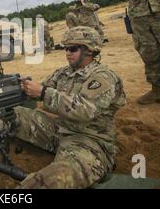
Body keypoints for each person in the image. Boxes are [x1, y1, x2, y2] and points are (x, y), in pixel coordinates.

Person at [15, 26, 126, 188]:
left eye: (72, 48)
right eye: (65, 48)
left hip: (90, 142)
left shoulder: (103, 77)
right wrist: (20, 88)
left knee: (53, 180)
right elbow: (41, 88)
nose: (67, 52)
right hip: (60, 130)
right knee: (12, 115)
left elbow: (85, 109)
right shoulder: (63, 73)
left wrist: (43, 92)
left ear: (89, 50)